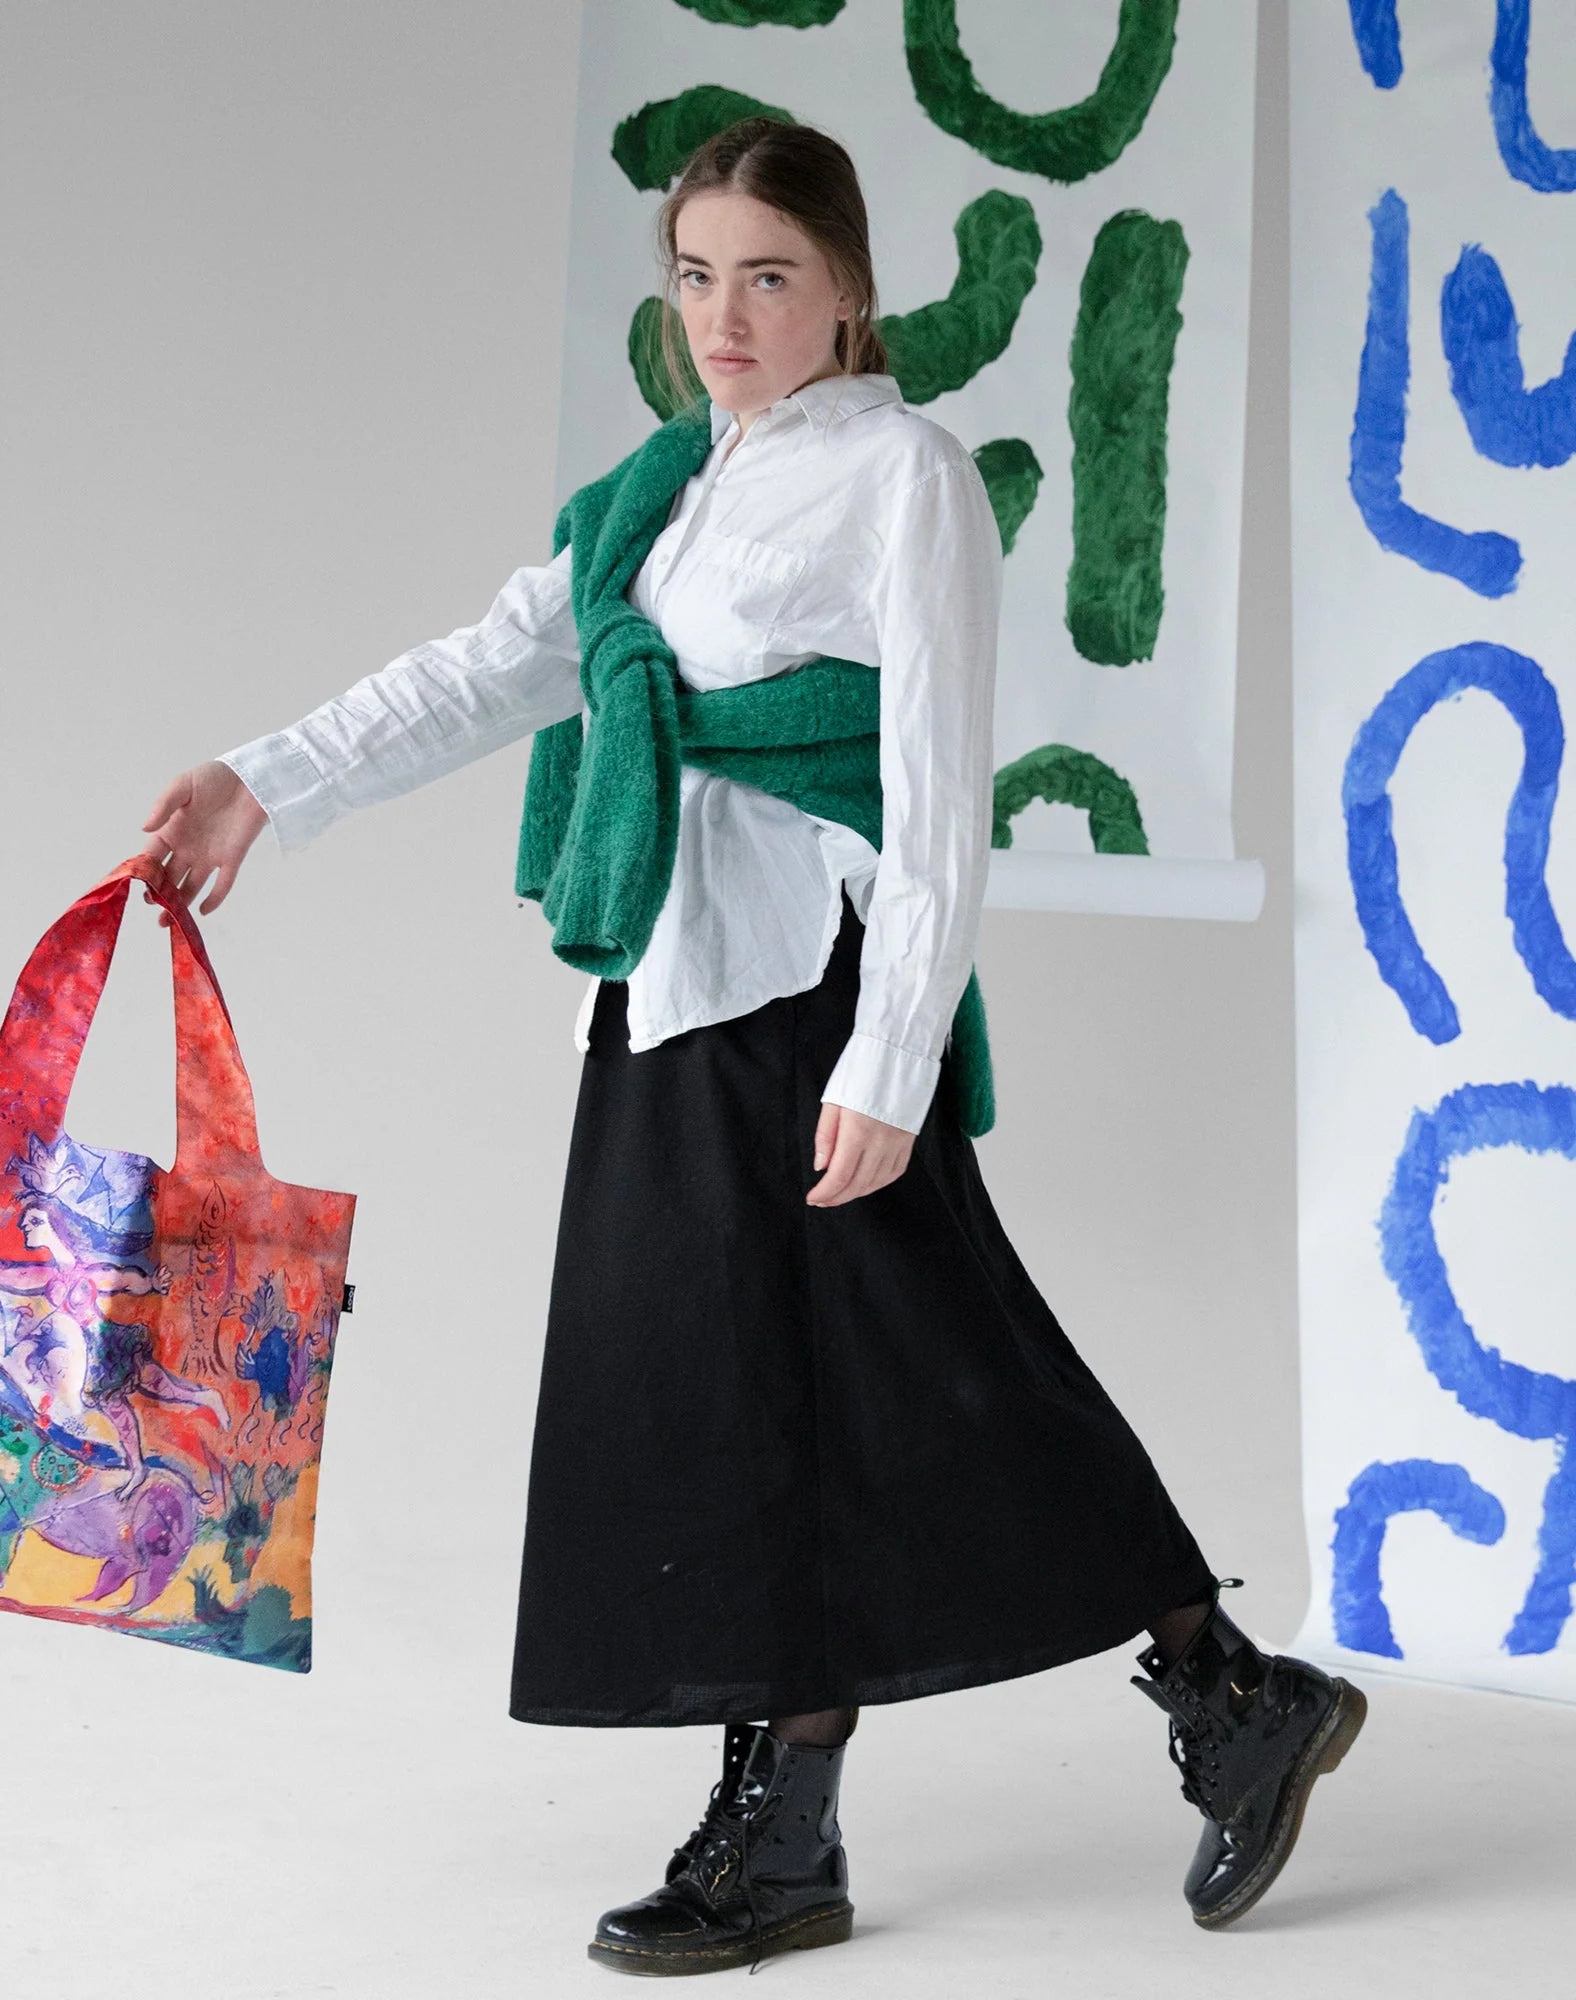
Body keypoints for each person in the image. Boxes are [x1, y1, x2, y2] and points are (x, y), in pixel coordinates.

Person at [136, 118, 1365, 1975]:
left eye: (767, 277)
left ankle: (888, 1798)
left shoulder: (904, 479)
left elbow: (937, 791)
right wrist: (263, 778)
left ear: (849, 288)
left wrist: (890, 1059)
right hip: (670, 979)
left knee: (882, 1375)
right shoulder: (664, 486)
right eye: (697, 276)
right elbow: (489, 665)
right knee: (784, 1390)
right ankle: (1194, 1705)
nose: (723, 316)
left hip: (805, 993)